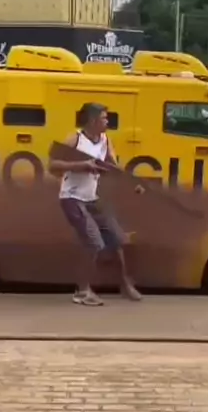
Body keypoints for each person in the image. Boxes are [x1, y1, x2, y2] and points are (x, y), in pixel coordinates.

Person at [49, 102, 142, 306]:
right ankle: (82, 292)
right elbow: (53, 165)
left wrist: (132, 183)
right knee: (93, 243)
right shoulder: (75, 139)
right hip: (72, 198)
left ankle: (124, 284)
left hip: (91, 198)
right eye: (104, 118)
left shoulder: (105, 140)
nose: (107, 122)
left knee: (117, 239)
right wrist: (81, 165)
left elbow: (113, 166)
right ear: (92, 121)